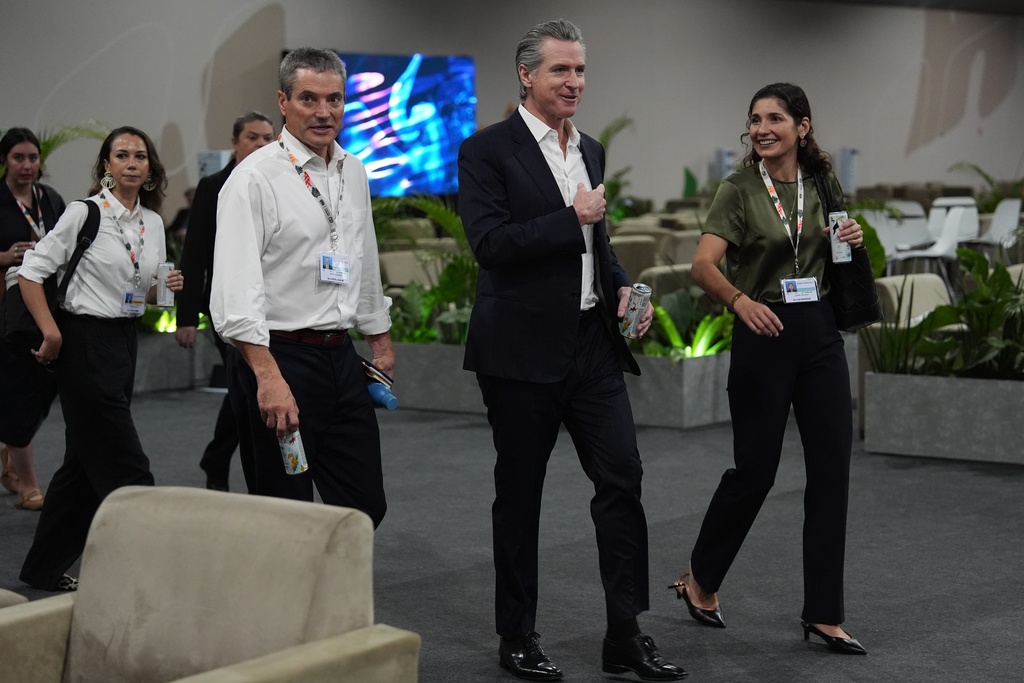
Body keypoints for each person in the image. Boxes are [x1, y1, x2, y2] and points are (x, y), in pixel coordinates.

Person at [458, 19, 686, 682]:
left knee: (623, 480)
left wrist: (618, 287)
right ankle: (518, 634)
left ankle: (625, 630)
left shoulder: (588, 147)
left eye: (581, 70)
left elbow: (600, 245)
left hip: (591, 346)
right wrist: (573, 218)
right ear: (526, 75)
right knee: (520, 496)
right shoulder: (487, 151)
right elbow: (490, 245)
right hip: (520, 353)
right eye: (561, 70)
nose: (575, 82)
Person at [670, 83, 867, 656]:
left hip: (821, 334)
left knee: (832, 473)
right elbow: (702, 265)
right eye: (755, 119)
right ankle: (701, 580)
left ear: (802, 127)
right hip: (764, 333)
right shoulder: (737, 190)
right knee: (755, 473)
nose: (762, 128)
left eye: (775, 118)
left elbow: (833, 256)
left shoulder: (822, 184)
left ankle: (825, 615)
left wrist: (848, 239)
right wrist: (740, 301)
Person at [210, 48, 394, 528]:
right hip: (276, 357)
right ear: (283, 102)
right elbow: (234, 290)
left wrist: (379, 336)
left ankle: (323, 598)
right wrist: (268, 378)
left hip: (339, 358)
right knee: (285, 508)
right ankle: (279, 604)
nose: (323, 111)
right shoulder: (253, 179)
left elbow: (364, 257)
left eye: (334, 99)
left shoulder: (353, 170)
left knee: (364, 506)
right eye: (309, 98)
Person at [17, 126, 183, 592]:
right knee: (126, 462)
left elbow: (143, 291)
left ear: (150, 168)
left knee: (81, 462)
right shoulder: (84, 213)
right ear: (106, 166)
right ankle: (154, 567)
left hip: (124, 341)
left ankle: (42, 568)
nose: (132, 162)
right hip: (82, 342)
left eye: (141, 156)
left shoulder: (152, 223)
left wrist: (161, 290)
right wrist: (50, 331)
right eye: (122, 155)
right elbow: (31, 272)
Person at [176, 111, 274, 491]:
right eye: (253, 137)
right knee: (247, 378)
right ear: (235, 143)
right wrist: (186, 317)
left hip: (271, 307)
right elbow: (195, 253)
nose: (262, 145)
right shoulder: (213, 186)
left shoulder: (279, 181)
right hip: (226, 307)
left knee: (245, 385)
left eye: (268, 138)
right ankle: (224, 461)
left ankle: (217, 457)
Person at [0, 128, 67, 511]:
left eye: (32, 158)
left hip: (43, 309)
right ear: (5, 161)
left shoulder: (51, 199)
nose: (27, 166)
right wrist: (5, 257)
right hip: (4, 312)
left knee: (43, 391)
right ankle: (28, 484)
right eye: (18, 158)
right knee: (16, 394)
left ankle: (11, 453)